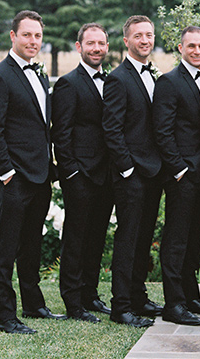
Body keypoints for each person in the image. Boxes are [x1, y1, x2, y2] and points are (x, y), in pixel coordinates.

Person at [0, 10, 63, 334]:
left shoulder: (40, 75)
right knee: (8, 247)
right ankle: (6, 316)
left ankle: (33, 304)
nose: (33, 41)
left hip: (41, 175)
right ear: (13, 37)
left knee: (32, 245)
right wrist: (6, 173)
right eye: (27, 35)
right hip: (14, 178)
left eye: (38, 36)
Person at [102, 15, 164, 328]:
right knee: (127, 241)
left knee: (143, 240)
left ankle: (138, 297)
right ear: (126, 41)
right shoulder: (118, 78)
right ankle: (121, 307)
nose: (145, 40)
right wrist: (127, 170)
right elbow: (111, 130)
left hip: (153, 173)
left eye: (149, 35)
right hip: (131, 176)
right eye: (138, 36)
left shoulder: (152, 74)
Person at [51, 23, 115, 322]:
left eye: (101, 43)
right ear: (79, 47)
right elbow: (60, 134)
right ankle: (73, 302)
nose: (97, 48)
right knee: (76, 240)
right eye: (91, 43)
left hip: (106, 175)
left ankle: (90, 295)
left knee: (96, 238)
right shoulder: (68, 83)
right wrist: (71, 173)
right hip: (80, 176)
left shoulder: (112, 80)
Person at [152, 26, 200, 325]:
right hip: (182, 175)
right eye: (192, 46)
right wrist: (178, 169)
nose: (198, 51)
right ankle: (173, 304)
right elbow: (162, 131)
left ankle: (190, 296)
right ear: (180, 48)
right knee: (176, 240)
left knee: (193, 239)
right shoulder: (169, 82)